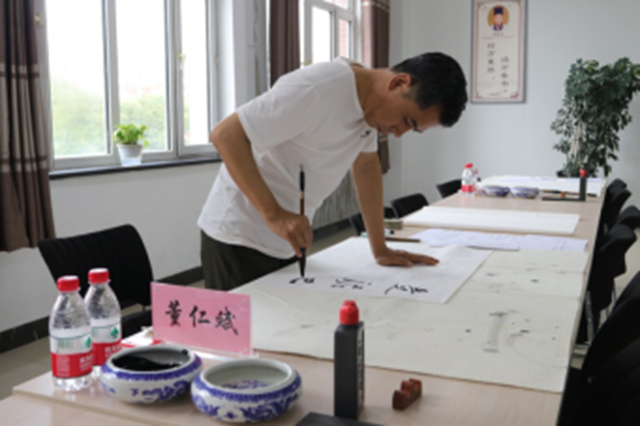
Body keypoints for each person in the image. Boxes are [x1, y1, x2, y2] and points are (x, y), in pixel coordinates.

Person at [198, 52, 468, 291]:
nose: (398, 133)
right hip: (238, 234)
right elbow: (226, 135)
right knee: (240, 331)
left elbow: (366, 167)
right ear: (399, 83)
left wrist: (380, 248)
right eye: (406, 121)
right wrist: (275, 214)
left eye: (412, 130)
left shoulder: (372, 111)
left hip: (287, 238)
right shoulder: (318, 88)